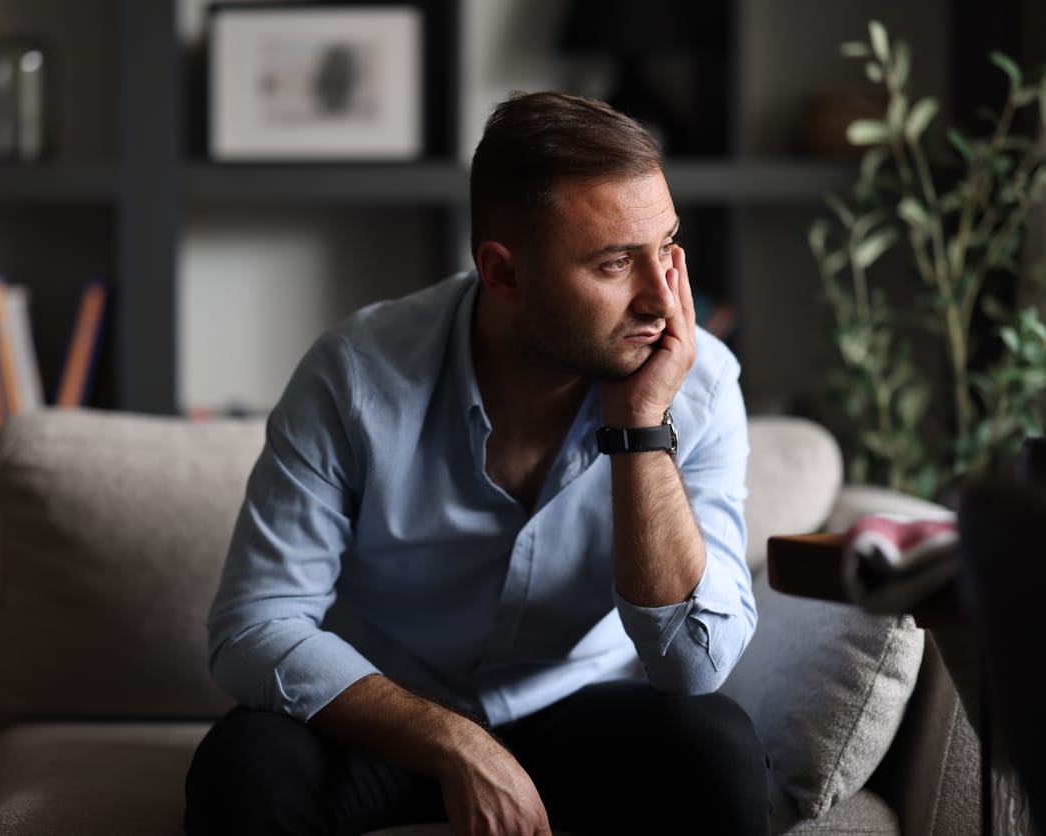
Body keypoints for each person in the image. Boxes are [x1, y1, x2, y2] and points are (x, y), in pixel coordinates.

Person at [184, 90, 770, 836]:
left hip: (580, 712)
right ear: (502, 273)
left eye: (667, 250)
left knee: (715, 751)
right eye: (615, 264)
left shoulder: (701, 383)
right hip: (393, 715)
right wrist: (453, 745)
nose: (661, 298)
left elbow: (692, 668)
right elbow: (253, 626)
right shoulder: (356, 376)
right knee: (245, 766)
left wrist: (638, 429)